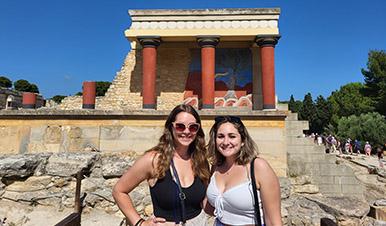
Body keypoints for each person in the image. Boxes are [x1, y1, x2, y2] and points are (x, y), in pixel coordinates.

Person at [113, 104, 210, 226]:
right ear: (171, 127)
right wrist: (139, 223)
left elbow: (206, 201)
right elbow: (119, 191)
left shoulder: (200, 160)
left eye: (193, 127)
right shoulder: (153, 160)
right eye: (180, 126)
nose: (186, 131)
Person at [206, 116, 282, 226]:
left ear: (242, 141)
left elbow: (274, 221)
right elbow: (210, 207)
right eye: (220, 136)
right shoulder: (216, 167)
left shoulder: (258, 167)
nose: (226, 142)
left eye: (232, 136)